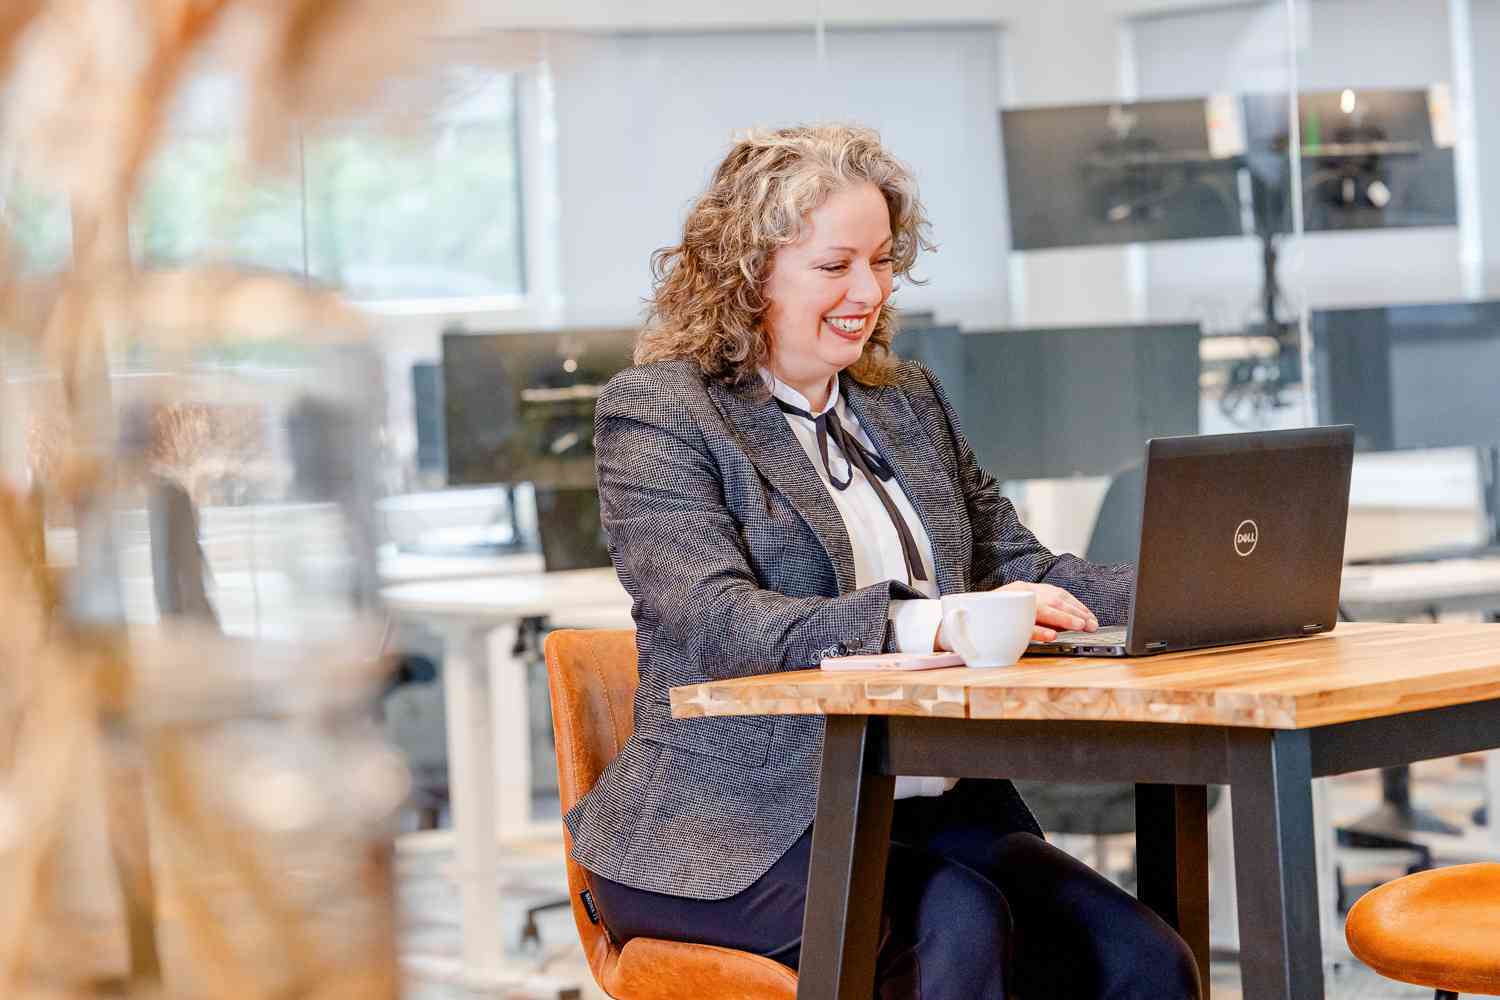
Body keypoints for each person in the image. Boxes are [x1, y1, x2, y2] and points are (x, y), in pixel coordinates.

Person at [564, 124, 1199, 999]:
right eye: (835, 265)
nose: (868, 291)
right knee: (959, 930)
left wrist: (1190, 594)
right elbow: (714, 620)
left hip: (924, 809)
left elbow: (1017, 566)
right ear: (748, 272)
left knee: (1145, 961)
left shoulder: (904, 401)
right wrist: (918, 620)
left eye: (882, 260)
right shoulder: (662, 410)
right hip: (729, 828)